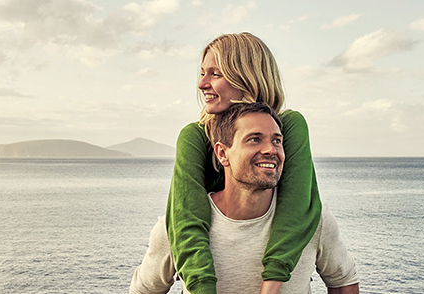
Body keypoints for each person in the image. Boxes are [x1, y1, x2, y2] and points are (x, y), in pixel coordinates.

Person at [130, 103, 359, 294]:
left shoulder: (313, 220)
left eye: (277, 140)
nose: (271, 149)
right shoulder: (177, 228)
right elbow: (145, 291)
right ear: (222, 153)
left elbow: (343, 282)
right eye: (254, 139)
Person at [166, 32, 323, 294]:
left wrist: (269, 287)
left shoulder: (290, 126)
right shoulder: (195, 137)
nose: (202, 84)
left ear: (247, 76)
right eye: (202, 73)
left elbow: (297, 207)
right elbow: (185, 222)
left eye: (215, 74)